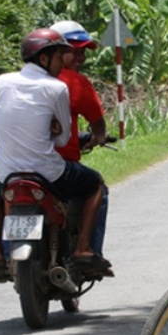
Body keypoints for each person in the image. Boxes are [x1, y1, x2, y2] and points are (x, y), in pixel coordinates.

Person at [0, 28, 110, 283]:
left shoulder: (0, 82)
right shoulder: (57, 87)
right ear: (44, 59)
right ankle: (83, 248)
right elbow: (62, 138)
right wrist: (50, 131)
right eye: (59, 56)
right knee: (95, 184)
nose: (62, 62)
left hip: (6, 173)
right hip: (48, 172)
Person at [50, 20, 111, 259]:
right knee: (97, 187)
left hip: (18, 164)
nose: (81, 57)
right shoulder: (75, 82)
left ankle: (0, 253)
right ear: (56, 51)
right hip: (58, 165)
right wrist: (99, 137)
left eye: (83, 52)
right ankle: (86, 249)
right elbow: (98, 123)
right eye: (75, 51)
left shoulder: (20, 81)